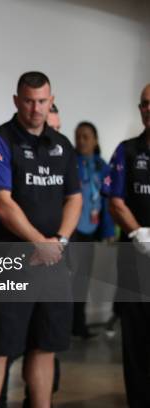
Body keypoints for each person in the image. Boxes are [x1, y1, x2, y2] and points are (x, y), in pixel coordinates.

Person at [0, 71, 82, 408]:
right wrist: (40, 242)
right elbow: (1, 203)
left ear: (50, 101)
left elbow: (75, 199)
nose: (35, 108)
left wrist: (59, 241)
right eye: (28, 101)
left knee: (45, 345)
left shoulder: (62, 145)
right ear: (16, 101)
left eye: (41, 101)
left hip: (52, 260)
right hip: (10, 262)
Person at [103, 83, 150, 408]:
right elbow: (115, 201)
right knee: (136, 338)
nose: (149, 109)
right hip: (136, 259)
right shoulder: (127, 151)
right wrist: (138, 233)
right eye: (145, 103)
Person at [70, 121, 114, 338]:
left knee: (82, 277)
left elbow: (107, 202)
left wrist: (108, 231)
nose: (81, 141)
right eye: (78, 136)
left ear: (95, 140)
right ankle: (67, 324)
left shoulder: (103, 167)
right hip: (71, 229)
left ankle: (79, 324)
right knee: (68, 277)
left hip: (91, 228)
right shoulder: (70, 163)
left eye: (86, 136)